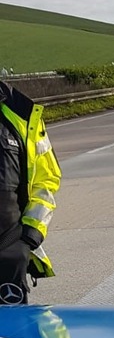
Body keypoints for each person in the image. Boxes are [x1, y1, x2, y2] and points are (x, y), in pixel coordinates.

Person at [0, 81, 61, 305]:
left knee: (13, 336)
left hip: (7, 252)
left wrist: (29, 237)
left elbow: (46, 179)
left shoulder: (21, 114)